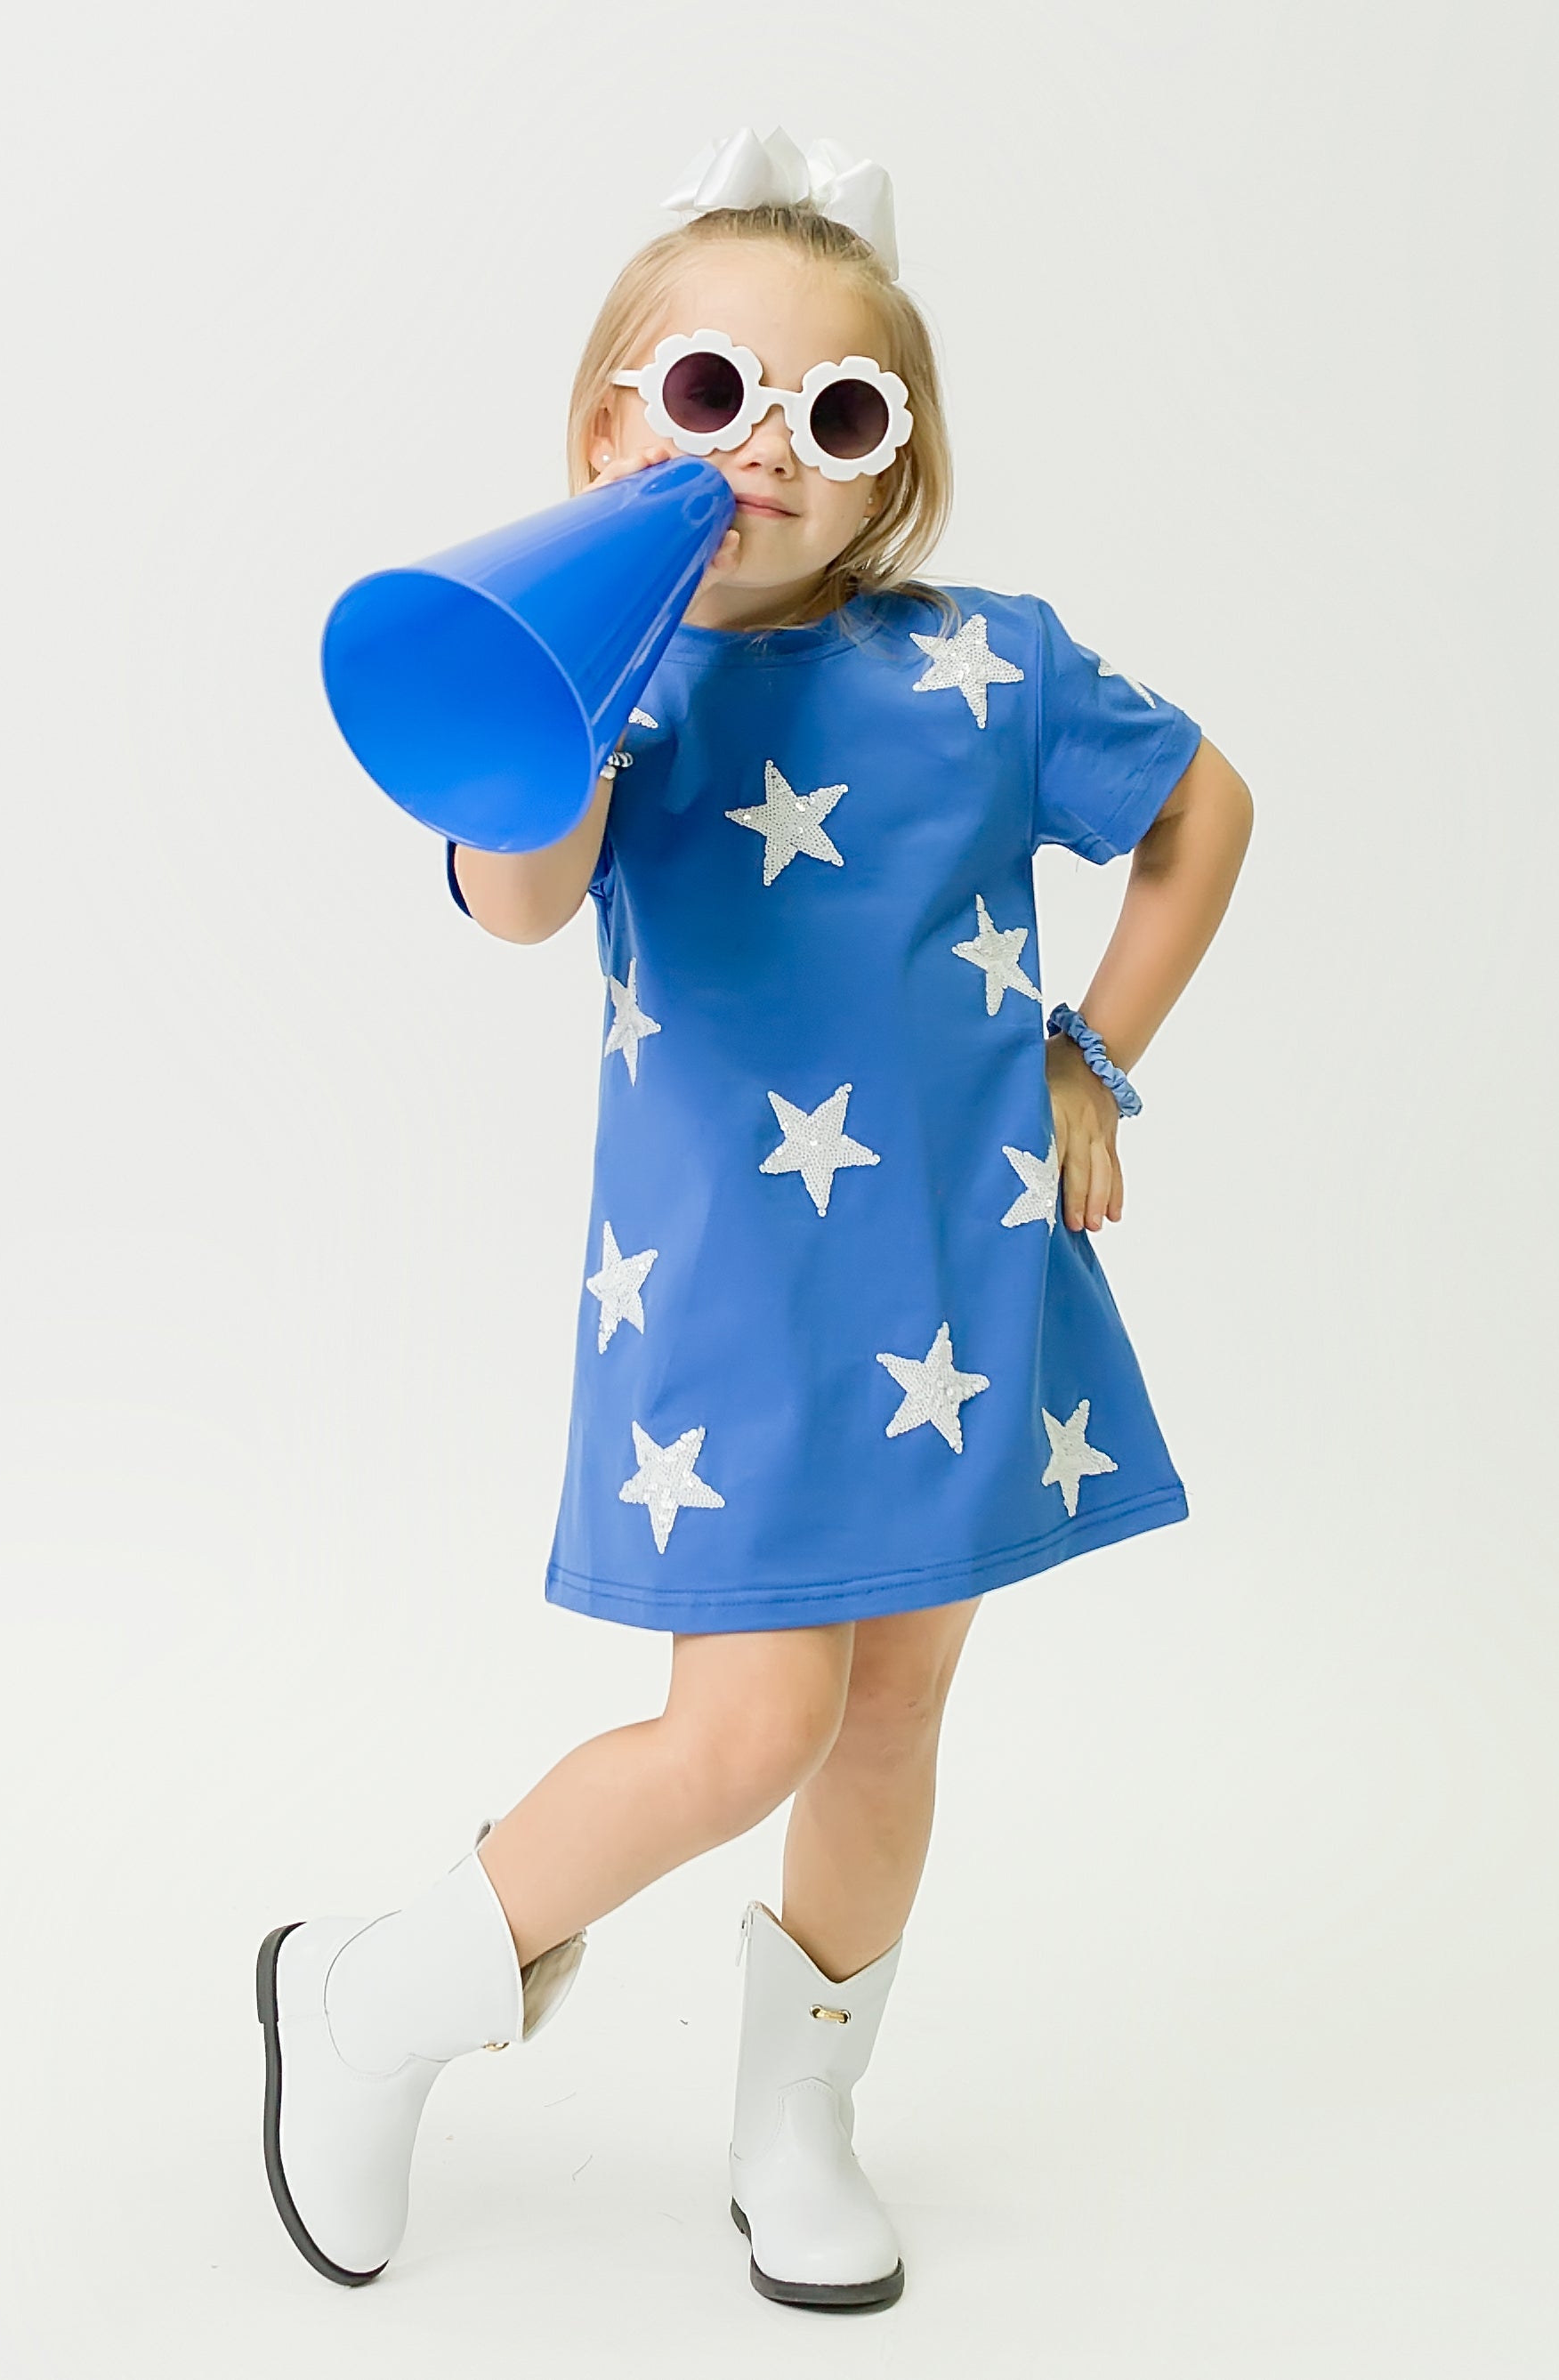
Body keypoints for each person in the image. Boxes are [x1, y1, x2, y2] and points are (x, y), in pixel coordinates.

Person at [258, 125, 1254, 2314]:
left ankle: (796, 2116)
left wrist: (1095, 1054)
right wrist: (576, 676)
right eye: (712, 393)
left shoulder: (990, 663)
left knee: (889, 1710)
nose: (770, 452)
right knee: (746, 1725)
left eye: (839, 414)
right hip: (725, 1302)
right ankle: (375, 1989)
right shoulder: (611, 681)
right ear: (618, 418)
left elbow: (1200, 811)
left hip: (962, 1271)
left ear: (892, 468)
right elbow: (515, 903)